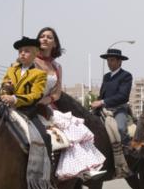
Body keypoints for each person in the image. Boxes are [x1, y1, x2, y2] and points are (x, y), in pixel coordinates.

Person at [33, 27, 106, 180]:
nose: (45, 39)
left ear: (55, 44)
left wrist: (45, 101)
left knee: (74, 132)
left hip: (47, 107)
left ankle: (82, 169)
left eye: (49, 37)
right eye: (42, 36)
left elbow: (57, 93)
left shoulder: (57, 67)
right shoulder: (31, 61)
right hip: (27, 104)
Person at [0, 36, 50, 154]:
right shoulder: (11, 70)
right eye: (20, 51)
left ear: (36, 53)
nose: (22, 54)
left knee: (44, 136)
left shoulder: (40, 74)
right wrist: (6, 89)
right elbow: (3, 87)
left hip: (27, 111)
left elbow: (36, 95)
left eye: (26, 51)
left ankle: (47, 160)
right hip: (5, 108)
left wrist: (15, 99)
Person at [91, 48, 133, 146]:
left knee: (120, 128)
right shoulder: (106, 76)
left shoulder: (126, 76)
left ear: (120, 62)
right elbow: (102, 95)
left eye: (112, 60)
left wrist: (101, 102)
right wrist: (95, 104)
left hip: (119, 110)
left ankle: (127, 152)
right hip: (103, 110)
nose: (109, 63)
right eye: (108, 60)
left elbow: (123, 96)